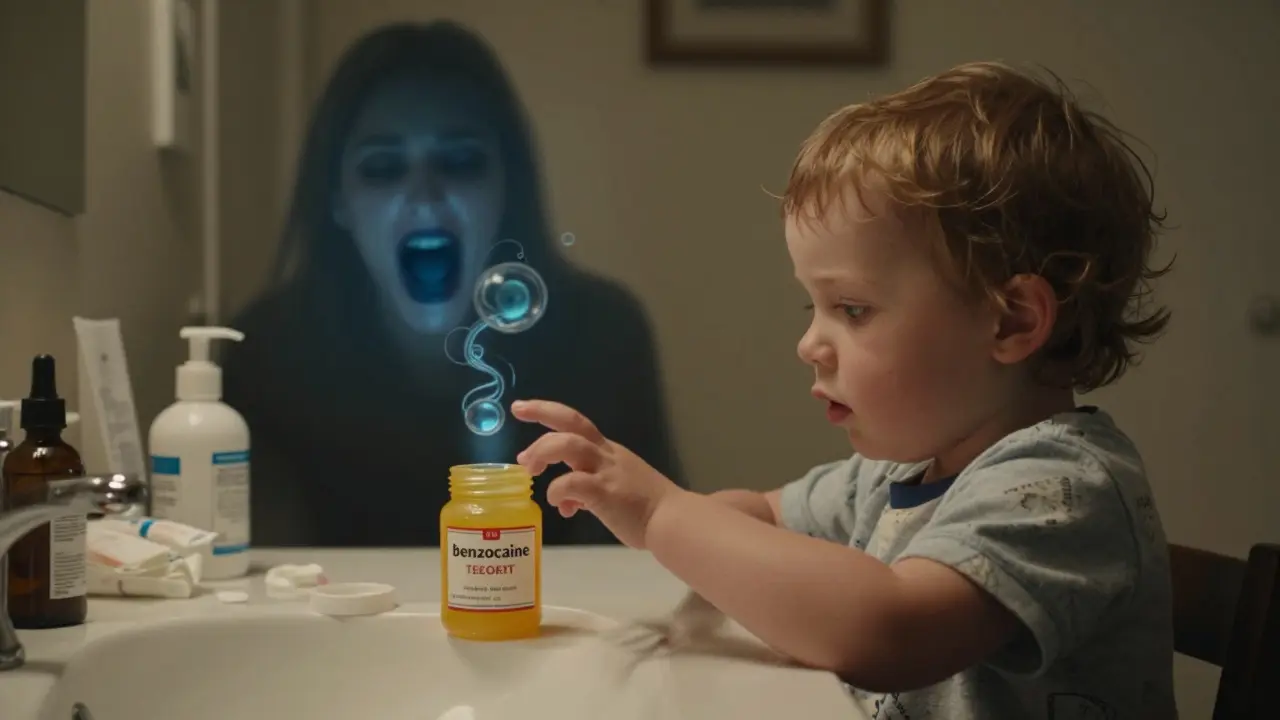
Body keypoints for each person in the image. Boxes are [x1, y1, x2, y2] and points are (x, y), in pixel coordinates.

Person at [512, 62, 1177, 718]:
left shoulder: (1063, 489)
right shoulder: (898, 474)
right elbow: (764, 515)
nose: (810, 344)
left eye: (852, 309)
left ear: (1012, 321)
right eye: (815, 307)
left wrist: (664, 515)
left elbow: (887, 630)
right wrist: (646, 507)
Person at [222, 21, 682, 547]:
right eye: (383, 167)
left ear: (506, 187)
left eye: (460, 162)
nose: (424, 196)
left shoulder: (603, 335)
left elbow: (643, 549)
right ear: (338, 200)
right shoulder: (269, 355)